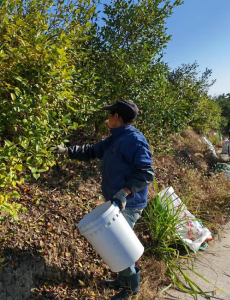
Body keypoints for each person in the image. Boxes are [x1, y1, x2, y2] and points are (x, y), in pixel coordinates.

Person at [56, 100, 154, 300]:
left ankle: (131, 289)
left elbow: (146, 173)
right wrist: (67, 151)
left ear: (117, 117)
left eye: (109, 115)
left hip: (129, 203)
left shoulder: (134, 140)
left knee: (119, 243)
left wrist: (124, 192)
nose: (107, 118)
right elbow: (92, 150)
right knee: (117, 239)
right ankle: (123, 280)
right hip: (117, 202)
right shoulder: (115, 138)